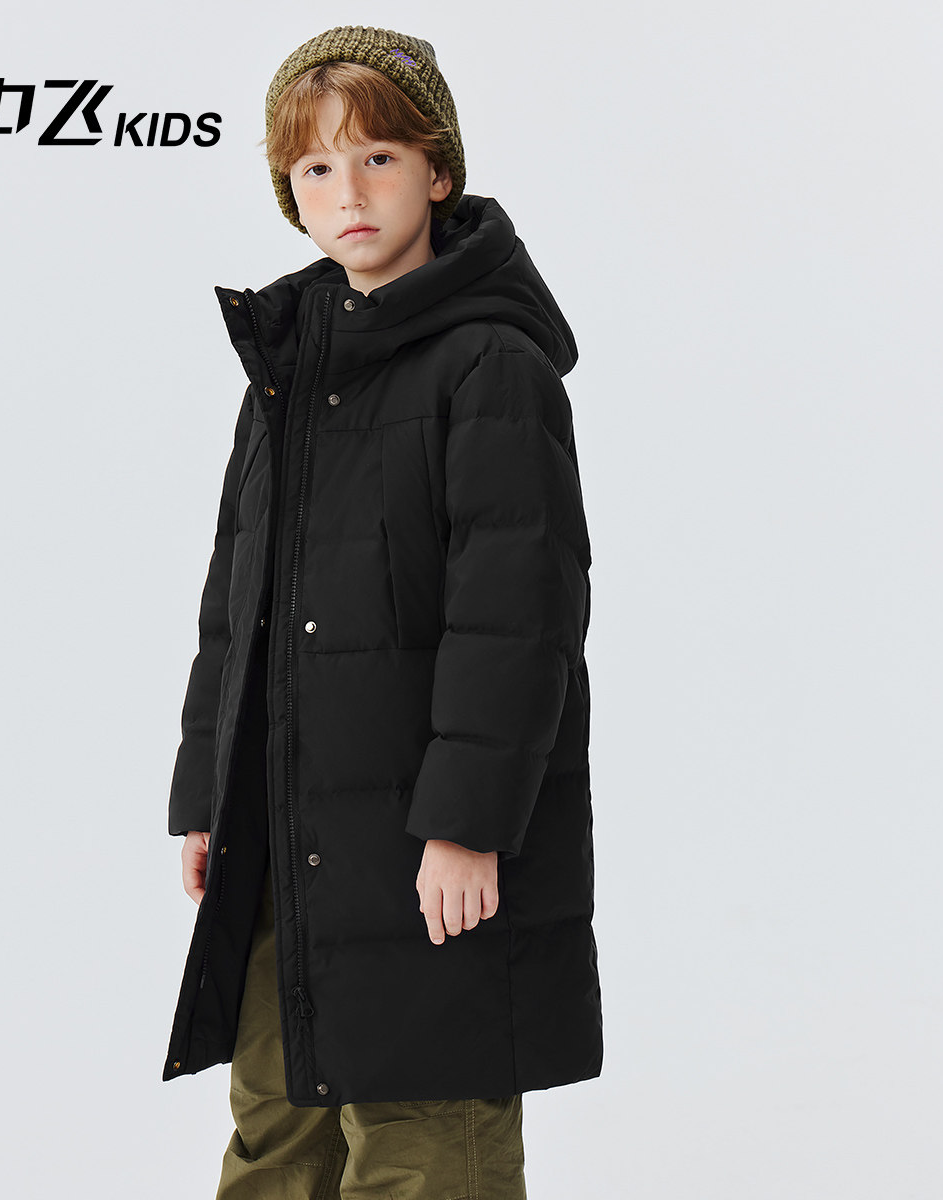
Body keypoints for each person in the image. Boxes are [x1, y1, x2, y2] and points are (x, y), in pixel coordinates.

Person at [162, 25, 602, 1199]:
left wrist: (465, 825)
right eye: (315, 168)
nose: (347, 195)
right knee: (278, 1137)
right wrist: (211, 794)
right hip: (285, 835)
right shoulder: (288, 368)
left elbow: (520, 615)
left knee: (424, 1144)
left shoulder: (490, 366)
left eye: (378, 159)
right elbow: (237, 597)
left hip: (426, 848)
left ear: (437, 171)